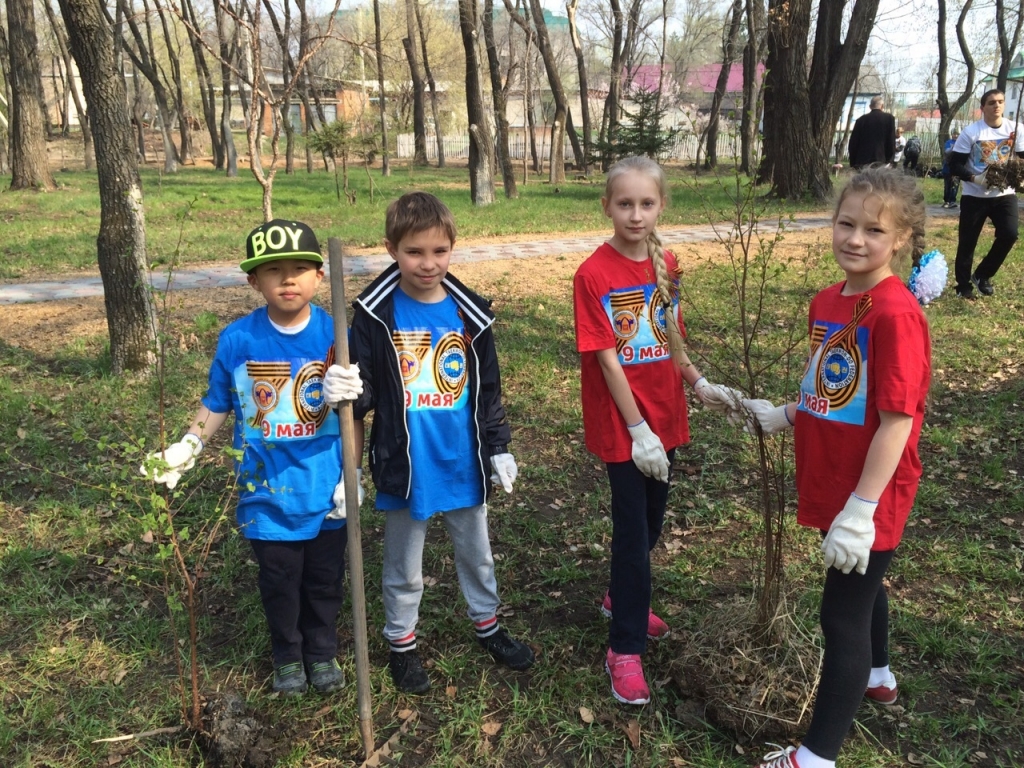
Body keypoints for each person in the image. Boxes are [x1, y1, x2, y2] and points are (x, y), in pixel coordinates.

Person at [740, 167, 932, 768]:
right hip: (831, 476)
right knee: (865, 588)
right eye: (845, 223)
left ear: (899, 239)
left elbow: (897, 419)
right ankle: (878, 675)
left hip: (869, 491)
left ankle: (816, 757)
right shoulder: (830, 301)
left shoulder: (895, 315)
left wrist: (863, 509)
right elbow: (834, 383)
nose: (855, 238)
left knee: (840, 614)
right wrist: (790, 412)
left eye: (874, 230)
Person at [140, 220, 363, 697]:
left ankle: (322, 653)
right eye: (274, 271)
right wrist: (189, 446)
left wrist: (353, 471)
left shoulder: (337, 334)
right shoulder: (238, 340)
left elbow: (359, 412)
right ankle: (287, 655)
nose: (288, 279)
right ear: (253, 281)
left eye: (300, 269)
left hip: (325, 488)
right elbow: (218, 401)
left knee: (325, 579)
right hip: (266, 493)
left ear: (319, 277)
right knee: (280, 581)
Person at [343, 192, 534, 695]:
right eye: (414, 252)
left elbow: (487, 389)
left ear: (452, 248)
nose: (428, 264)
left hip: (463, 458)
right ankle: (402, 645)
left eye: (438, 252)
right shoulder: (372, 315)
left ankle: (487, 624)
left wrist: (498, 446)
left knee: (478, 552)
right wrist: (343, 392)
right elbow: (360, 394)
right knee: (403, 563)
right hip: (407, 461)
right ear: (391, 249)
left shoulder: (471, 315)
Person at [572, 156, 744, 706]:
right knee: (630, 530)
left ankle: (621, 594)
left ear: (662, 205)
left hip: (665, 414)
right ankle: (623, 647)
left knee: (651, 519)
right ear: (607, 207)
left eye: (647, 203)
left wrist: (696, 381)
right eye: (625, 204)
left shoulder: (666, 261)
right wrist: (637, 428)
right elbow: (606, 359)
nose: (636, 214)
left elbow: (670, 334)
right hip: (624, 424)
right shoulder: (592, 274)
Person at [948, 88, 1024, 299]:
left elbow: (1021, 157)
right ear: (983, 108)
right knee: (967, 241)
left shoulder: (1016, 129)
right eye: (991, 102)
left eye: (1000, 101)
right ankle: (963, 286)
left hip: (1003, 194)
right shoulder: (972, 133)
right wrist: (974, 178)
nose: (997, 105)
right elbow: (955, 165)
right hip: (975, 195)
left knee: (1010, 234)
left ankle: (982, 275)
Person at [848, 96, 896, 169]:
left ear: (870, 106)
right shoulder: (889, 119)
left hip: (862, 161)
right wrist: (890, 161)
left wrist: (853, 162)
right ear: (882, 106)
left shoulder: (860, 120)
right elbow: (891, 141)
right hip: (881, 160)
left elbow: (853, 143)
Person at [941, 129, 961, 208]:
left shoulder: (961, 143)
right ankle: (946, 201)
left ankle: (952, 201)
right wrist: (954, 148)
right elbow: (947, 151)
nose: (956, 136)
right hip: (948, 168)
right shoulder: (948, 142)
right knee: (947, 185)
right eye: (954, 134)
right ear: (952, 135)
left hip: (957, 168)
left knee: (955, 185)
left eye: (957, 134)